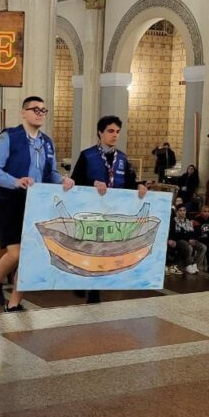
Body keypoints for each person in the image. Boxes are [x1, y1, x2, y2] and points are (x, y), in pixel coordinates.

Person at [0, 95, 74, 312]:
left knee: (30, 255)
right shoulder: (9, 137)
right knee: (16, 253)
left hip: (34, 202)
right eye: (35, 109)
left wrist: (64, 180)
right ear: (23, 112)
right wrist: (16, 181)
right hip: (8, 200)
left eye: (43, 110)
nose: (40, 113)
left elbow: (50, 173)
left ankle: (14, 303)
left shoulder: (47, 143)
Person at [70, 116, 148, 302]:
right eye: (110, 131)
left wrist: (139, 186)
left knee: (104, 250)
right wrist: (92, 183)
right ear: (100, 133)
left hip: (113, 212)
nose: (115, 135)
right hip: (90, 210)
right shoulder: (87, 155)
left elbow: (129, 182)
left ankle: (95, 291)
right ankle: (79, 282)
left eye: (117, 131)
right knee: (88, 248)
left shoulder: (122, 158)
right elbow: (75, 181)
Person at [169, 203, 206, 274]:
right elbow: (176, 234)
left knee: (204, 247)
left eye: (184, 210)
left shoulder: (188, 221)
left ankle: (194, 264)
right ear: (177, 212)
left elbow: (191, 232)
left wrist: (192, 238)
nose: (182, 212)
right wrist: (188, 238)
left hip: (189, 239)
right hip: (179, 241)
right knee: (189, 247)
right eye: (180, 210)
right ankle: (188, 265)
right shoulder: (174, 221)